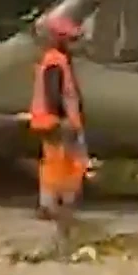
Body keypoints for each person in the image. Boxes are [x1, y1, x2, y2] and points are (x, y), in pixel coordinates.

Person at [29, 15, 88, 235]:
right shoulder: (56, 60)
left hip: (50, 120)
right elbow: (55, 92)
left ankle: (53, 204)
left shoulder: (52, 59)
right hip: (57, 121)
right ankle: (55, 205)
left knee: (56, 162)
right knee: (66, 162)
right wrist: (64, 119)